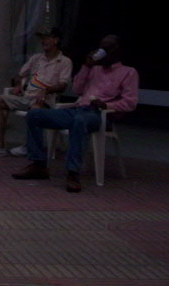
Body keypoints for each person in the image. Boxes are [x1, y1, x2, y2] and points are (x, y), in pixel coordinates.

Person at [12, 35, 138, 192]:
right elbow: (77, 90)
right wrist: (86, 66)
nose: (102, 52)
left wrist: (106, 104)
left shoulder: (128, 72)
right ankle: (38, 164)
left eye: (107, 49)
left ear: (117, 51)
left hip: (99, 114)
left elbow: (130, 103)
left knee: (79, 121)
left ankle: (73, 172)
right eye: (101, 48)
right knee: (34, 115)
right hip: (78, 109)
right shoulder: (95, 69)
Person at [0, 27, 72, 158]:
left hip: (46, 99)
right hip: (26, 96)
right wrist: (18, 85)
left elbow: (63, 86)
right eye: (42, 39)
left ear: (55, 40)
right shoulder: (36, 58)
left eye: (46, 38)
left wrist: (46, 90)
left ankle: (29, 146)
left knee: (35, 109)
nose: (43, 41)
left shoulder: (65, 61)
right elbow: (19, 75)